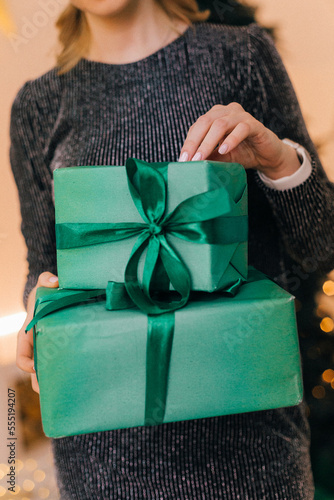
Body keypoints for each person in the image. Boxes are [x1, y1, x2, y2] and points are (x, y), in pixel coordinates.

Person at [10, 0, 334, 498]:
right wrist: (40, 310)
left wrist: (279, 160)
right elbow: (44, 265)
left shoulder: (240, 56)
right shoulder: (38, 104)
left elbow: (320, 247)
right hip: (103, 463)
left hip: (253, 458)